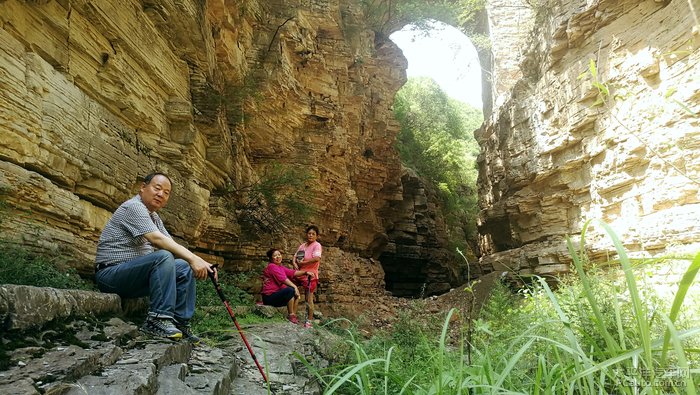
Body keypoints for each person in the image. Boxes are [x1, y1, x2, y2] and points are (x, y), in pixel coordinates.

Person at [94, 172, 214, 342]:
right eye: (157, 188)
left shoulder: (154, 217)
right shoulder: (133, 207)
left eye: (166, 192)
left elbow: (172, 245)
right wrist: (194, 259)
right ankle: (157, 319)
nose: (161, 194)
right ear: (143, 187)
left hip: (133, 277)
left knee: (184, 266)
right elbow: (158, 240)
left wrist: (200, 262)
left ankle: (179, 322)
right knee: (162, 257)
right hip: (111, 275)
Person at [260, 248, 314, 324]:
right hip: (269, 297)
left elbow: (292, 272)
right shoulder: (272, 266)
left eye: (279, 255)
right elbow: (283, 279)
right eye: (275, 256)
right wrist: (295, 287)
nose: (278, 257)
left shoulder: (280, 267)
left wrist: (305, 272)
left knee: (295, 293)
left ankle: (293, 316)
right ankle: (291, 315)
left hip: (276, 295)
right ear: (271, 258)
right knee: (291, 290)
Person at [292, 225, 322, 328]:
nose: (311, 235)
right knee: (293, 291)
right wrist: (295, 264)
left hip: (311, 275)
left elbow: (317, 258)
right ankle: (292, 315)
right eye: (309, 233)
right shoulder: (303, 246)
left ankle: (309, 321)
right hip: (300, 273)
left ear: (316, 236)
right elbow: (295, 256)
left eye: (313, 234)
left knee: (309, 298)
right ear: (306, 234)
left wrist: (303, 262)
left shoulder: (317, 245)